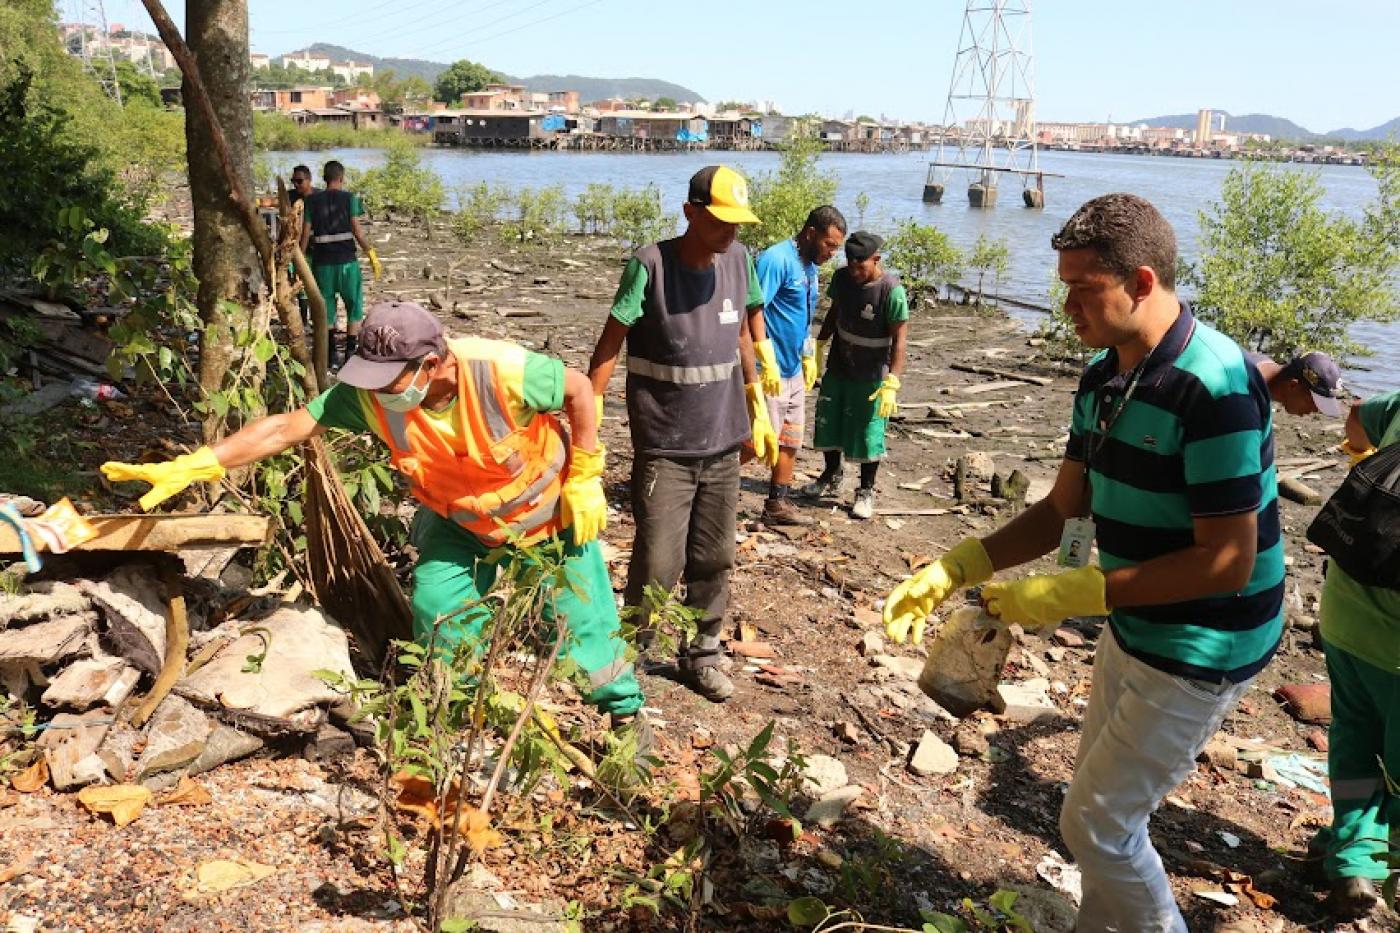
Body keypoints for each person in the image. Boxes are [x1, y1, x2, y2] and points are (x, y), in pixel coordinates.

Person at [882, 194, 1283, 932]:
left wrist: (1083, 589)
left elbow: (1228, 561)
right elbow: (1063, 505)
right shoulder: (1104, 377)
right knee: (1106, 818)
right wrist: (958, 565)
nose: (1066, 305)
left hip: (1207, 639)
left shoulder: (1217, 384)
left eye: (1081, 289)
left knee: (1097, 823)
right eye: (1062, 285)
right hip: (1133, 622)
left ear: (1139, 281)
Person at [100, 301, 647, 745]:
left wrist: (586, 472)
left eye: (391, 378)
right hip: (460, 526)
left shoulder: (500, 369)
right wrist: (199, 463)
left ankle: (626, 722)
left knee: (587, 624)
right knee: (436, 612)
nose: (379, 389)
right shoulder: (370, 399)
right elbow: (287, 428)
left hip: (548, 518)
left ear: (432, 364)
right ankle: (453, 720)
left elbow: (578, 387)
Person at [587, 165, 780, 703]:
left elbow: (742, 332)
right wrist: (589, 415)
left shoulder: (741, 261)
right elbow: (610, 343)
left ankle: (704, 650)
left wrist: (756, 403)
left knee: (715, 555)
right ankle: (633, 651)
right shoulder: (651, 264)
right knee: (658, 560)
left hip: (723, 440)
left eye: (738, 223)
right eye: (721, 221)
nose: (731, 233)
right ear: (691, 212)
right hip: (667, 444)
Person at [1305, 392, 1399, 919]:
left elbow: (1359, 417)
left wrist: (1362, 454)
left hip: (1344, 611)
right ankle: (1369, 857)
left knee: (1355, 742)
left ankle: (1354, 857)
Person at [750, 206, 847, 525]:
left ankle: (777, 504)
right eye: (829, 245)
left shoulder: (810, 267)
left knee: (790, 439)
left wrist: (808, 354)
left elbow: (804, 315)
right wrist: (762, 357)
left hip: (792, 368)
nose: (832, 253)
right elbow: (753, 310)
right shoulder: (776, 260)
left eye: (837, 248)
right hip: (769, 369)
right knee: (755, 441)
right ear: (810, 233)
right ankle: (703, 484)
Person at [801, 231, 909, 519]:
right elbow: (834, 313)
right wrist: (819, 345)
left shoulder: (891, 291)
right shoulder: (841, 279)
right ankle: (830, 474)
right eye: (850, 265)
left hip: (872, 371)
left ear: (876, 260)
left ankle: (865, 490)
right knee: (828, 419)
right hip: (840, 362)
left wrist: (892, 382)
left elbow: (899, 340)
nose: (855, 272)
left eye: (860, 267)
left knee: (868, 430)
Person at [300, 160, 382, 366]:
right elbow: (357, 230)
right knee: (354, 305)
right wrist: (371, 253)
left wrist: (299, 263)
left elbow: (304, 235)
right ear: (342, 178)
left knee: (327, 308)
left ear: (324, 178)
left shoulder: (311, 202)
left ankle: (330, 355)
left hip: (322, 264)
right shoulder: (350, 199)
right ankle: (350, 353)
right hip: (347, 263)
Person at [1247, 350, 1347, 416]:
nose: (1315, 410)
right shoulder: (1244, 394)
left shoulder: (1259, 362)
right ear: (1293, 385)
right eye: (1312, 402)